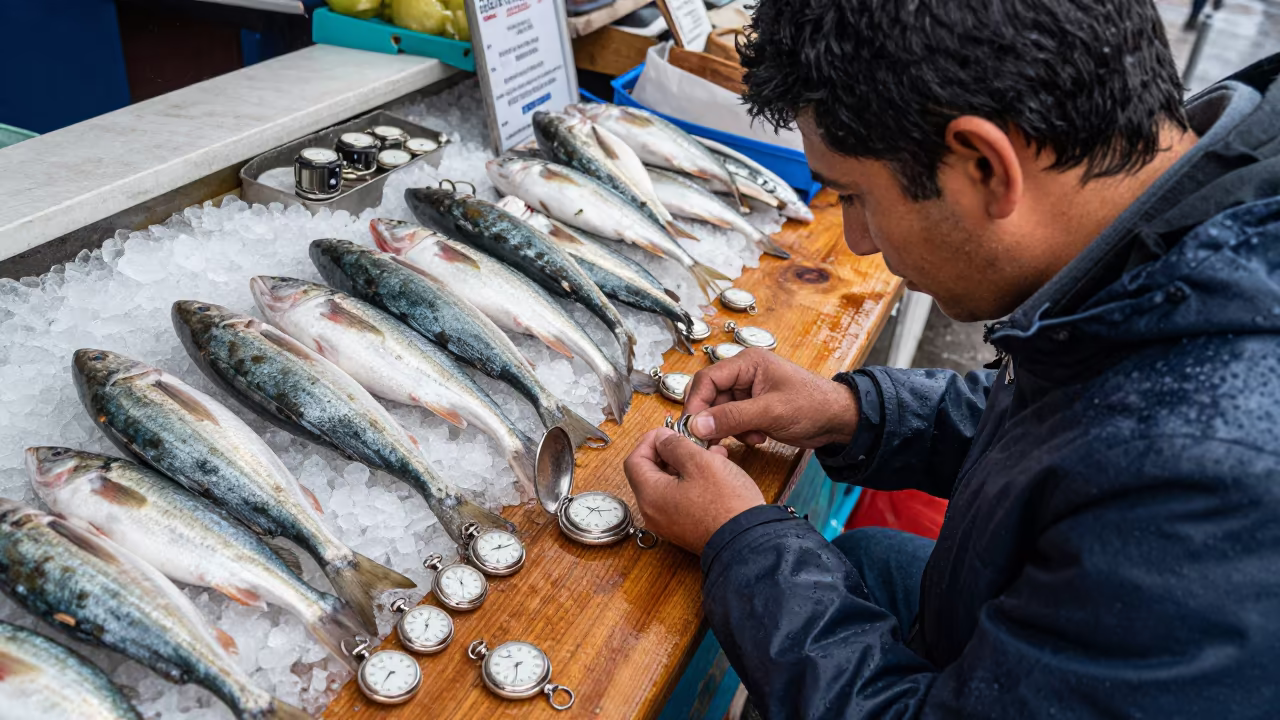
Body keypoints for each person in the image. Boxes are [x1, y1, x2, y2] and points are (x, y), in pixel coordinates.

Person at [622, 0, 1280, 717]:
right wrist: (854, 412)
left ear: (987, 167)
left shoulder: (1205, 487)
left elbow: (1123, 446)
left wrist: (739, 542)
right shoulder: (1172, 233)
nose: (861, 240)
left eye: (855, 195)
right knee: (867, 559)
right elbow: (1072, 421)